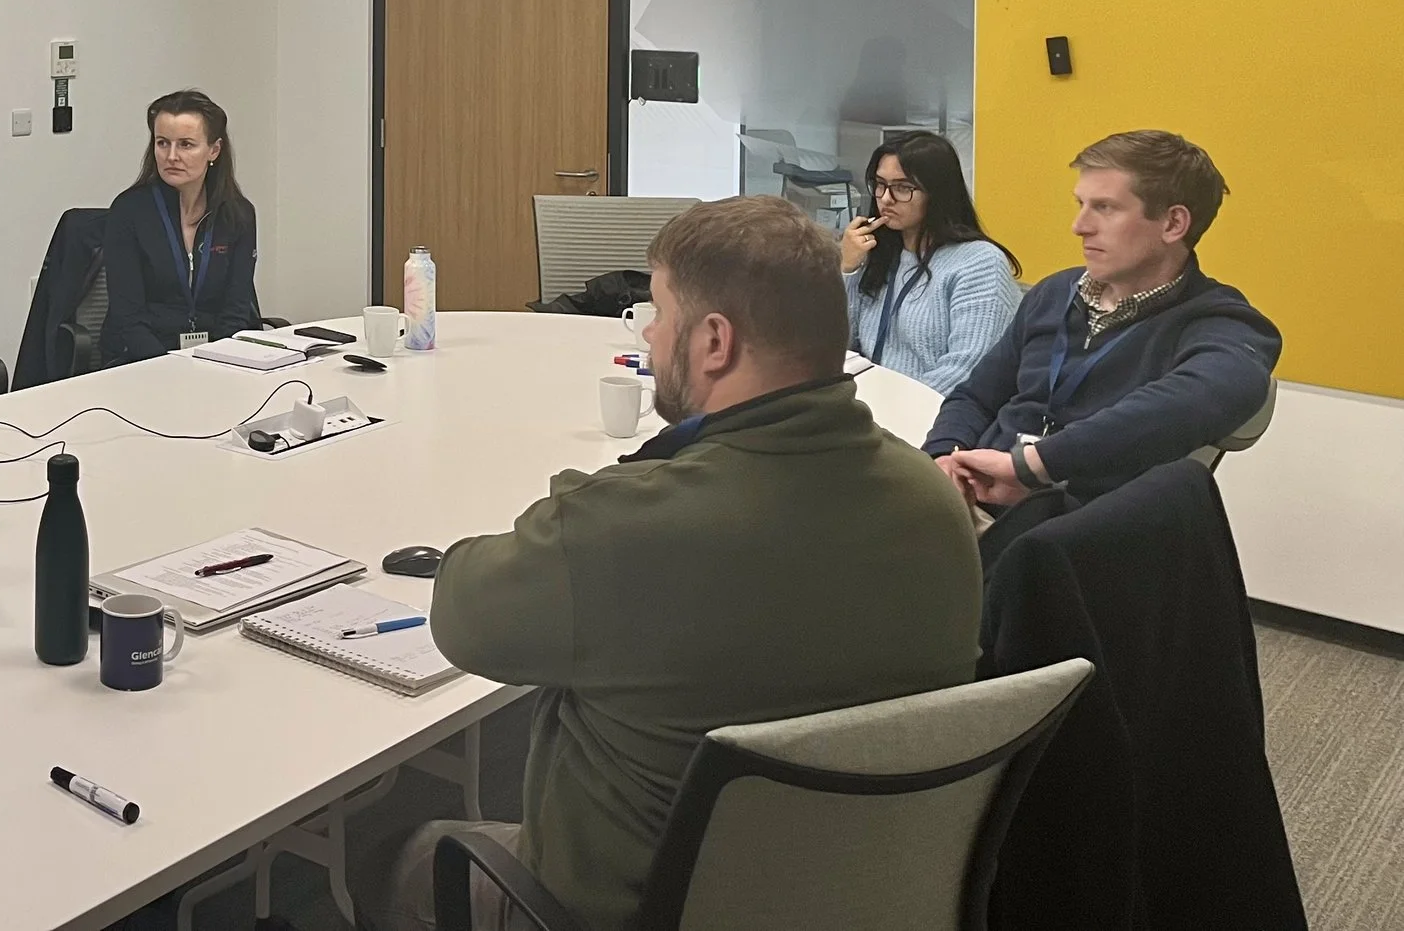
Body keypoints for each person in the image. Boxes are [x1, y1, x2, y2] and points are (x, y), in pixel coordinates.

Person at [388, 196, 980, 931]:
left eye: (657, 313)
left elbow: (460, 614)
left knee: (421, 854)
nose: (649, 332)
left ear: (713, 342)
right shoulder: (934, 503)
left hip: (634, 909)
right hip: (863, 894)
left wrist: (601, 494)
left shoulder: (622, 528)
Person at [927, 129, 1278, 509]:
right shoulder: (1054, 293)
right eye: (1080, 204)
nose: (1079, 226)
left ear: (1173, 224)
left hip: (1068, 533)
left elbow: (1208, 395)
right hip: (973, 501)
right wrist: (943, 455)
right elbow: (976, 395)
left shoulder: (1222, 323)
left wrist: (1034, 465)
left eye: (1105, 207)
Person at [840, 130, 1023, 392]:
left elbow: (966, 371)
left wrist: (898, 411)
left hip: (929, 414)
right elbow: (838, 347)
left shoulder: (979, 263)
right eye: (880, 184)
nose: (886, 199)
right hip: (869, 405)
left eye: (903, 188)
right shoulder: (879, 253)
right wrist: (848, 269)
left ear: (937, 194)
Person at [97, 90, 260, 365]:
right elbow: (128, 318)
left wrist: (215, 363)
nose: (171, 156)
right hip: (143, 360)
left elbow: (237, 310)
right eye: (163, 143)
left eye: (185, 145)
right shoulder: (129, 211)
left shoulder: (238, 214)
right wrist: (173, 368)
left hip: (217, 359)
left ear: (214, 150)